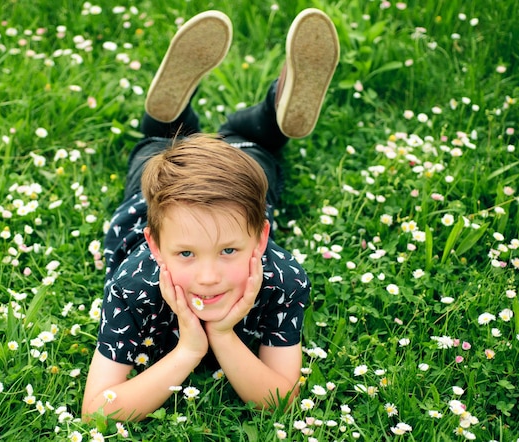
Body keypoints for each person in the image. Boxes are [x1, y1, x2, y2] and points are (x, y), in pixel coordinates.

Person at [82, 7, 339, 422]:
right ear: (155, 246)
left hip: (235, 199)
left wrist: (221, 335)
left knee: (182, 142)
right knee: (213, 148)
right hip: (151, 205)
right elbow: (96, 412)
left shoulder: (282, 278)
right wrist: (188, 350)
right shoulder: (136, 284)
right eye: (186, 254)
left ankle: (200, 112)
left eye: (229, 251)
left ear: (261, 239)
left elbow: (284, 401)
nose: (208, 276)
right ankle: (256, 109)